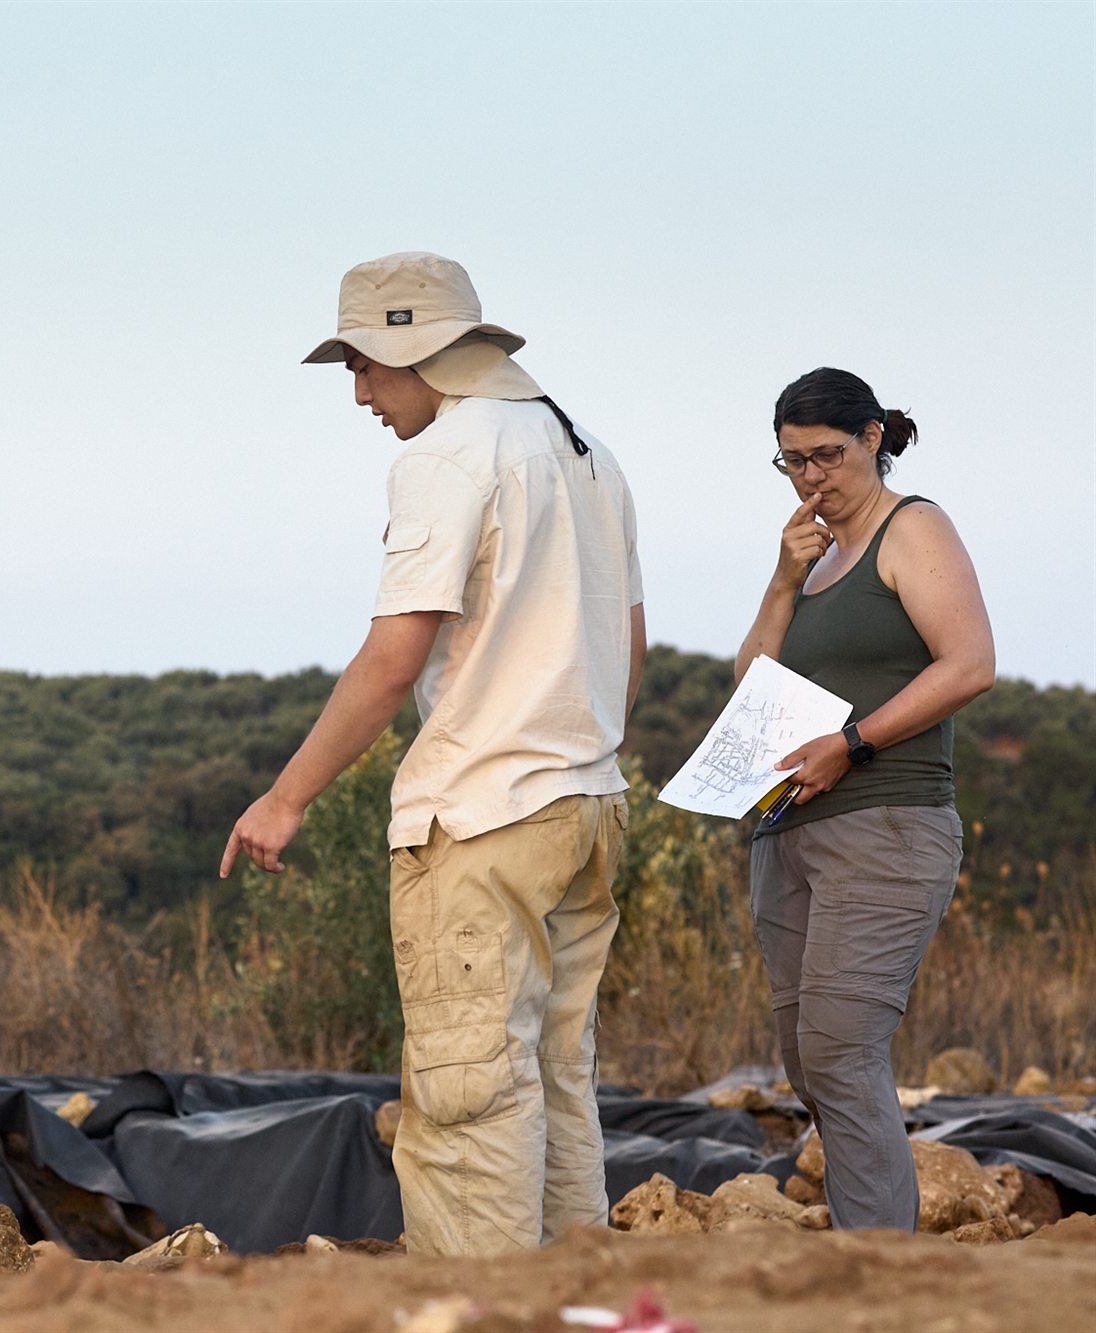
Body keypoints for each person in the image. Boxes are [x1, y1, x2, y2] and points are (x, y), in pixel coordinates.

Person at [222, 252, 646, 1256]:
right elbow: (626, 645)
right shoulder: (587, 452)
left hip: (483, 812)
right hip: (586, 803)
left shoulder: (449, 454)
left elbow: (391, 653)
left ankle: (486, 1310)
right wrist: (582, 746)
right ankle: (569, 1300)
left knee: (466, 1099)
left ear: (416, 350)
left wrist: (284, 798)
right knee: (553, 1078)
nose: (360, 392)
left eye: (363, 365)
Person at [736, 367, 993, 1231]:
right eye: (791, 462)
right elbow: (751, 690)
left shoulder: (911, 528)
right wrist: (780, 580)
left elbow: (970, 663)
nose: (811, 477)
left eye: (826, 455)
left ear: (874, 437)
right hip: (789, 830)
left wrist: (852, 744)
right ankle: (867, 1241)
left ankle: (882, 1268)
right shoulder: (811, 564)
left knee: (842, 1048)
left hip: (886, 821)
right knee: (807, 1059)